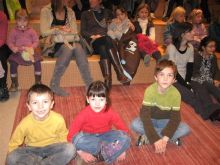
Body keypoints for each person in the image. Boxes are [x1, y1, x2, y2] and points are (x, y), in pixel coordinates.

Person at [6, 84, 76, 165]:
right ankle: (43, 162)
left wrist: (63, 149)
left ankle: (40, 163)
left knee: (71, 149)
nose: (40, 106)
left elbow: (63, 137)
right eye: (35, 102)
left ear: (52, 104)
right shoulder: (24, 123)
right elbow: (14, 143)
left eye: (45, 102)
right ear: (29, 106)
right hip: (32, 150)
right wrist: (13, 155)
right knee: (11, 158)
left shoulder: (58, 119)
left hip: (53, 147)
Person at [131, 59, 190, 154]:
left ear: (174, 79)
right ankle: (169, 137)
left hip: (166, 122)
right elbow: (145, 116)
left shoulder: (176, 94)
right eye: (162, 74)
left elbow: (175, 119)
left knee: (185, 128)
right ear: (156, 77)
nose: (165, 79)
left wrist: (164, 139)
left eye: (169, 75)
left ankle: (147, 137)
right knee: (134, 124)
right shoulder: (150, 91)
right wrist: (157, 139)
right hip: (151, 120)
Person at [167, 22, 220, 121]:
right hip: (173, 78)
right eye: (191, 31)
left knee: (200, 89)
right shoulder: (171, 48)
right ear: (183, 34)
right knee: (191, 96)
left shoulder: (190, 48)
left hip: (187, 78)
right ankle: (207, 114)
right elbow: (172, 69)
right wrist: (185, 85)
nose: (193, 33)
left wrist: (188, 82)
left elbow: (190, 67)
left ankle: (213, 110)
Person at [67, 81, 131, 164]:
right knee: (77, 139)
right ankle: (109, 152)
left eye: (101, 99)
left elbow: (124, 130)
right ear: (88, 99)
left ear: (106, 100)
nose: (97, 103)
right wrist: (81, 153)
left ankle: (101, 154)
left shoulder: (111, 113)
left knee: (125, 138)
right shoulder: (82, 115)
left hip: (106, 136)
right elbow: (71, 137)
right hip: (89, 138)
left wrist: (122, 150)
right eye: (93, 99)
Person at [40, 0, 93, 96]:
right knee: (68, 48)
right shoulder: (46, 10)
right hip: (53, 45)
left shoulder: (70, 11)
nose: (68, 1)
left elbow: (74, 31)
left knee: (79, 47)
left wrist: (65, 30)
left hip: (70, 41)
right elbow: (44, 32)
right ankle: (54, 84)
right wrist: (58, 28)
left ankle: (89, 84)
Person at [81, 0, 131, 89]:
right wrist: (93, 36)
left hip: (107, 42)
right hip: (94, 41)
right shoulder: (85, 14)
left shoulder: (108, 12)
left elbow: (119, 20)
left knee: (104, 47)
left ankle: (108, 80)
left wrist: (128, 23)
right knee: (107, 39)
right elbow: (83, 31)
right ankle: (119, 71)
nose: (90, 1)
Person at [7, 9, 42, 92]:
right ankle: (14, 83)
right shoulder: (14, 31)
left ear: (28, 21)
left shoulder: (31, 31)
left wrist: (31, 47)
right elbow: (9, 41)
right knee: (13, 63)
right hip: (18, 53)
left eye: (24, 21)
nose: (22, 23)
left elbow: (36, 41)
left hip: (30, 53)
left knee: (37, 62)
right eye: (19, 20)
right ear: (16, 21)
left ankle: (38, 81)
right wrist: (13, 47)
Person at [191, 37, 220, 121]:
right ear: (203, 47)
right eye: (210, 46)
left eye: (214, 46)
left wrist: (216, 79)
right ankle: (213, 112)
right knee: (206, 87)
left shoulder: (213, 57)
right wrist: (208, 80)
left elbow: (216, 70)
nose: (213, 48)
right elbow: (194, 72)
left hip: (208, 79)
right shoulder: (196, 56)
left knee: (214, 87)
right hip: (196, 79)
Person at [0, 11, 11, 101]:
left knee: (1, 56)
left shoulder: (2, 16)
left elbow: (2, 39)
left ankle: (2, 86)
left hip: (2, 45)